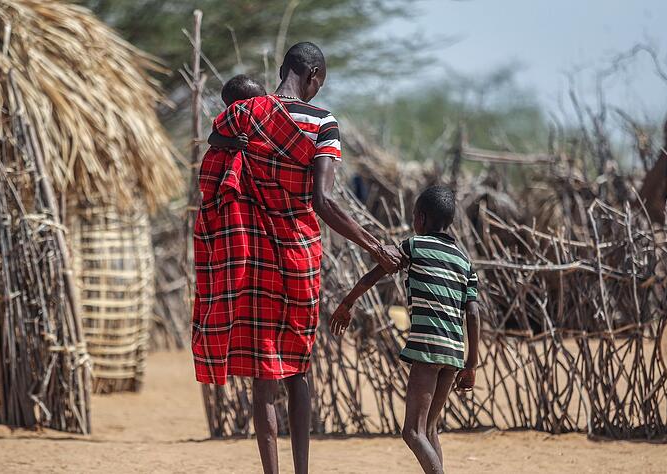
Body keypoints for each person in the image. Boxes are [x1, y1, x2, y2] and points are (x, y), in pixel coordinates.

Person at [192, 42, 402, 474]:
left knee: (264, 379)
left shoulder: (245, 113)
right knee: (298, 371)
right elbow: (322, 202)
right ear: (313, 77)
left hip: (255, 261)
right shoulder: (323, 121)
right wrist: (375, 245)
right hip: (298, 258)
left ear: (281, 69)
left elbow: (216, 140)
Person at [329, 185, 481, 474]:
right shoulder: (465, 263)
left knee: (412, 432)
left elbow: (373, 275)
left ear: (420, 218)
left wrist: (346, 304)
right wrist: (471, 364)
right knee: (430, 428)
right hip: (453, 352)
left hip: (427, 348)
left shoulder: (414, 246)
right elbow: (472, 314)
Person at [206, 74, 266, 151]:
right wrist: (233, 142)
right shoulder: (229, 120)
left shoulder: (264, 119)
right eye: (258, 102)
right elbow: (212, 139)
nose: (264, 103)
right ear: (238, 107)